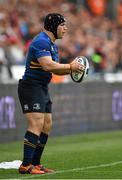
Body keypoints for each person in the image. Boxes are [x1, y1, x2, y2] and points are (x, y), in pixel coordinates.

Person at [18, 13, 84, 175]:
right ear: (53, 26)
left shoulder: (52, 45)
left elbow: (55, 70)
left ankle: (36, 163)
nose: (65, 28)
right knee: (36, 124)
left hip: (41, 87)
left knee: (46, 125)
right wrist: (70, 67)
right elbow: (48, 66)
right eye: (62, 25)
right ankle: (25, 165)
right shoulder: (41, 41)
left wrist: (72, 71)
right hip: (31, 87)